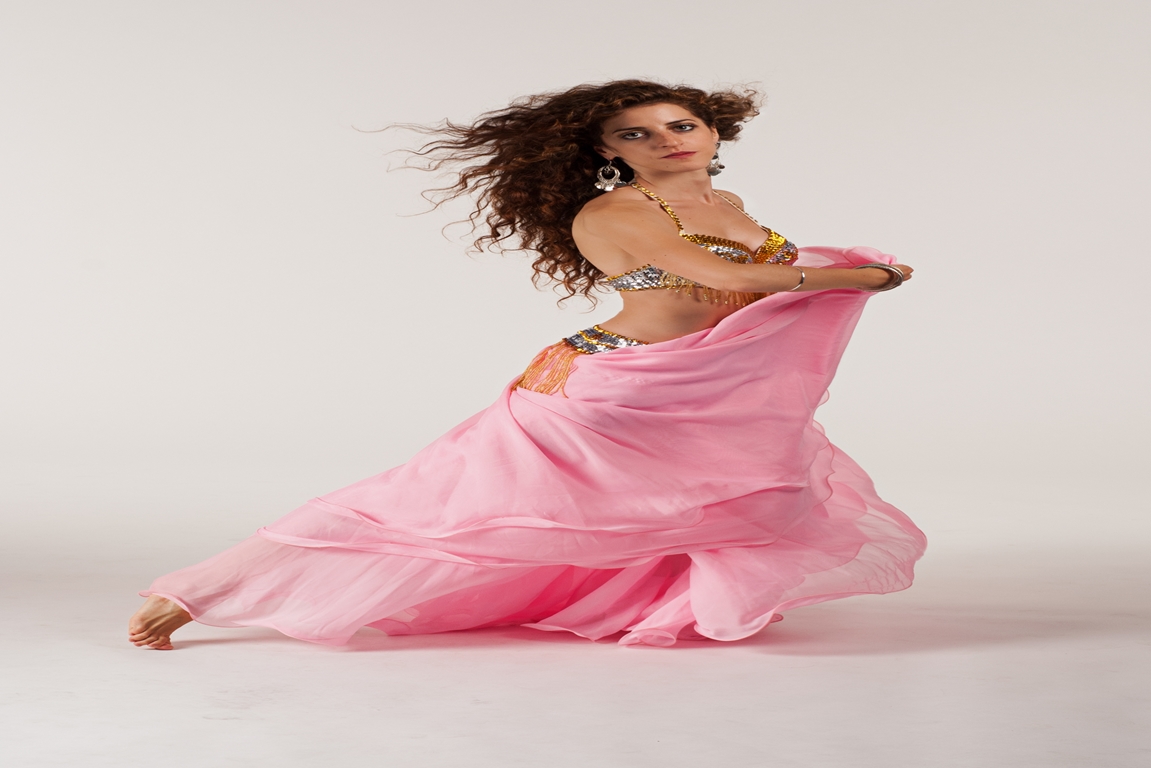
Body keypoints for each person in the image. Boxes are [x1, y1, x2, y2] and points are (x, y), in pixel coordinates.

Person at [129, 80, 926, 650]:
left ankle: (660, 609)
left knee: (711, 502)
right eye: (636, 135)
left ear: (714, 132)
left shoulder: (728, 206)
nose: (666, 140)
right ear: (605, 152)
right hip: (608, 390)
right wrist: (855, 278)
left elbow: (747, 273)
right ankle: (196, 593)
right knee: (428, 502)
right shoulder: (616, 210)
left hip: (698, 384)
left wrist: (841, 271)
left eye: (680, 124)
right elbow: (724, 276)